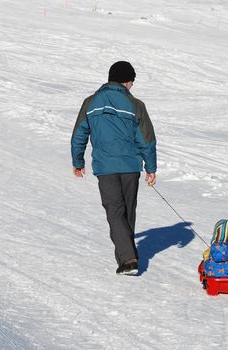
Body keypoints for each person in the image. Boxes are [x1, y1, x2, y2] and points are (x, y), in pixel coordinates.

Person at [71, 61, 157, 276]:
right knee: (126, 211)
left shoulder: (90, 102)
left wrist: (78, 161)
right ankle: (129, 256)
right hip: (130, 166)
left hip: (105, 166)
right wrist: (151, 167)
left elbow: (79, 134)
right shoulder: (136, 105)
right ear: (127, 81)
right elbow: (147, 139)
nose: (131, 87)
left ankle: (128, 259)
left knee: (115, 211)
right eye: (131, 82)